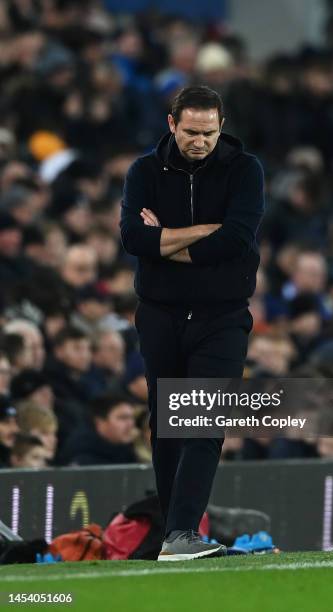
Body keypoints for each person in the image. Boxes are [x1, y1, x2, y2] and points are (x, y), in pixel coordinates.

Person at [120, 85, 264, 560]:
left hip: (222, 316)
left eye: (208, 132)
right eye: (190, 132)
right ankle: (173, 536)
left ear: (221, 125)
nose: (200, 141)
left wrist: (166, 240)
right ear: (171, 124)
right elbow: (134, 240)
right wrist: (205, 232)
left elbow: (237, 241)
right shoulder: (144, 170)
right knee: (167, 425)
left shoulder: (245, 170)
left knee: (204, 419)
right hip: (159, 315)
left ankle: (181, 533)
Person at [58, 393, 139, 466]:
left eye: (132, 418)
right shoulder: (81, 455)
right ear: (100, 422)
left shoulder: (131, 448)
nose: (131, 424)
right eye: (122, 418)